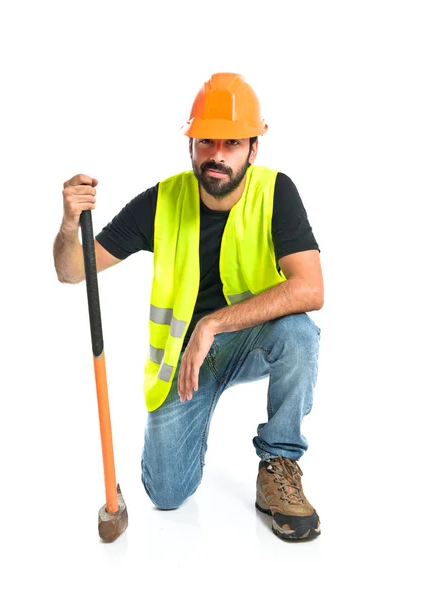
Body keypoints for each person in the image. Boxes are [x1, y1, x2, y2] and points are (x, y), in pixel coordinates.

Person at [53, 72, 324, 541]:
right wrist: (67, 223)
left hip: (248, 343)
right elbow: (73, 271)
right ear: (192, 144)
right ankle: (174, 451)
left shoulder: (276, 193)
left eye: (232, 143)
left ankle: (278, 463)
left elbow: (311, 290)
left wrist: (213, 324)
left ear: (254, 149)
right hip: (184, 366)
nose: (217, 155)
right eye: (206, 142)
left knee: (299, 333)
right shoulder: (161, 201)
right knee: (167, 494)